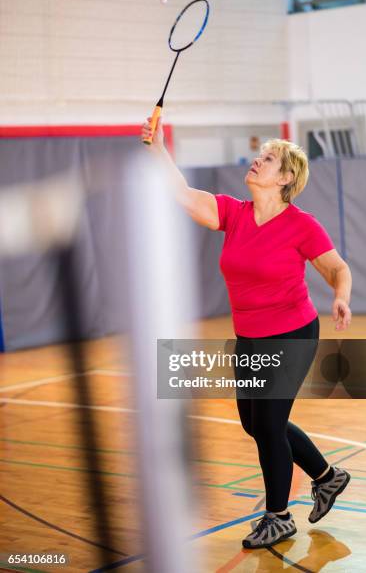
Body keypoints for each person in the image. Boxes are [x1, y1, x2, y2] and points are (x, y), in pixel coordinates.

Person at [142, 118, 352, 549]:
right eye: (260, 156)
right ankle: (329, 477)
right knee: (255, 424)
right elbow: (182, 194)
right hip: (250, 339)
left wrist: (341, 296)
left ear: (286, 177)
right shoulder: (234, 214)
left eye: (269, 158)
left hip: (292, 334)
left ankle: (278, 517)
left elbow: (336, 268)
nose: (258, 160)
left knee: (270, 425)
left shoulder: (301, 224)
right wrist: (158, 148)